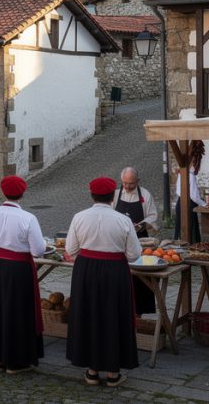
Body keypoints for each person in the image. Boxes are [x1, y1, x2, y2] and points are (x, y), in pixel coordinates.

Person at [65, 176, 142, 388]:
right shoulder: (123, 220)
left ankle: (91, 371)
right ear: (113, 196)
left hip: (86, 270)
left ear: (91, 195)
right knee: (112, 316)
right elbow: (134, 254)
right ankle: (113, 373)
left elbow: (70, 250)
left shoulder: (79, 217)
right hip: (114, 271)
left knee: (88, 315)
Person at [0, 175, 45, 375]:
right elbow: (38, 251)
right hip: (18, 267)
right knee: (18, 311)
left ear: (3, 192)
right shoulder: (28, 218)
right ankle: (16, 360)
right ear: (22, 194)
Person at [113, 166, 158, 316]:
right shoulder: (116, 195)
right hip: (118, 243)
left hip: (140, 241)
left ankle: (138, 312)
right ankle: (120, 310)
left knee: (139, 279)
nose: (127, 186)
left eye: (131, 183)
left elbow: (153, 216)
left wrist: (141, 225)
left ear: (138, 181)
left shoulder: (145, 195)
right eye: (125, 183)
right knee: (121, 278)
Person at [172, 169, 205, 243]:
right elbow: (194, 196)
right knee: (190, 229)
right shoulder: (190, 175)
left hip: (180, 203)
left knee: (180, 227)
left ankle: (179, 244)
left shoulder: (181, 173)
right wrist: (204, 204)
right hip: (189, 205)